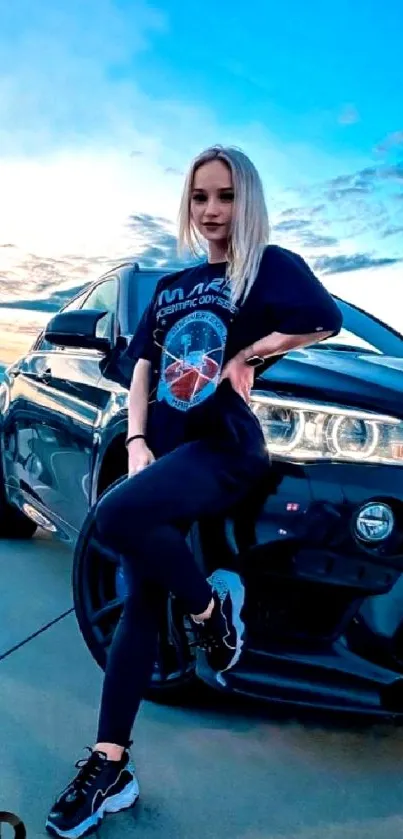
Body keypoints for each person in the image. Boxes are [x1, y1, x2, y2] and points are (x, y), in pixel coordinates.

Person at [45, 145, 342, 838]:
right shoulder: (172, 284)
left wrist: (247, 353)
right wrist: (141, 441)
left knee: (113, 517)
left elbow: (321, 318)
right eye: (201, 197)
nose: (212, 211)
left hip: (224, 447)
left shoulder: (268, 265)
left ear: (248, 202)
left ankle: (210, 611)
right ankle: (109, 765)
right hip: (168, 451)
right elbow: (143, 367)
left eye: (226, 197)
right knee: (140, 595)